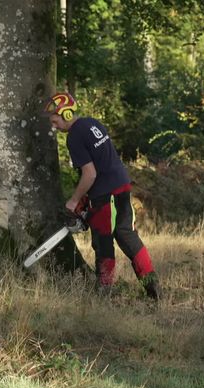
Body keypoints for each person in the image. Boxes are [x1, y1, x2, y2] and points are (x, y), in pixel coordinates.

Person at [44, 92, 161, 300]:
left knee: (103, 242)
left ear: (66, 113)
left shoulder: (74, 136)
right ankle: (153, 289)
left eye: (55, 121)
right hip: (121, 187)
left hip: (107, 195)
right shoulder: (91, 123)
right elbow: (103, 161)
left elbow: (90, 173)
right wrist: (87, 199)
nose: (54, 126)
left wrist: (73, 202)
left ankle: (104, 292)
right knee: (127, 236)